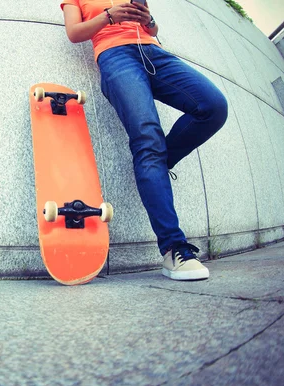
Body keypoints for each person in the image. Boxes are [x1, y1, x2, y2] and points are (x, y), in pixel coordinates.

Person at [60, 0, 228, 280]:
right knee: (147, 139)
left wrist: (148, 20)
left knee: (213, 106)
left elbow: (152, 28)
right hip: (115, 57)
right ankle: (174, 249)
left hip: (154, 52)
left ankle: (155, 166)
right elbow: (74, 33)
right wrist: (109, 16)